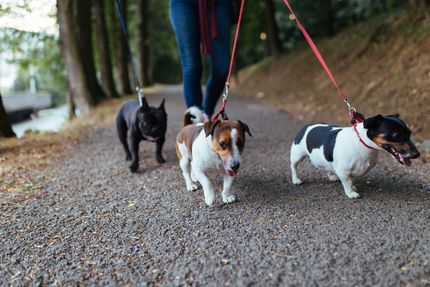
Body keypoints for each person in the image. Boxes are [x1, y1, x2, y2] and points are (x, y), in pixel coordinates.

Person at [169, 0, 232, 118]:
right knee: (192, 67)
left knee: (222, 69)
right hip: (183, 4)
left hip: (218, 3)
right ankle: (196, 123)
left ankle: (206, 114)